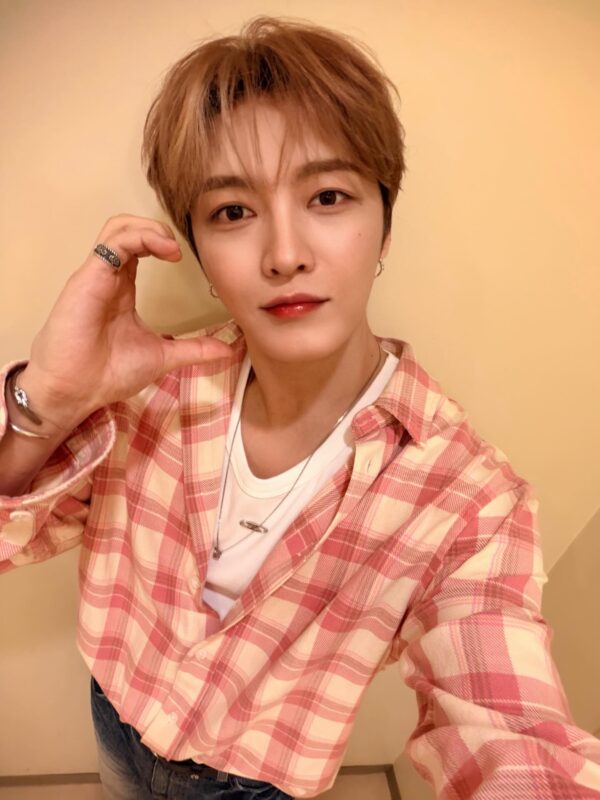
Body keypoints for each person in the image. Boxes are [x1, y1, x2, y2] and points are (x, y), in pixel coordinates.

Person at [1, 15, 599, 800]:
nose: (285, 254)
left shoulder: (469, 500)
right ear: (199, 251)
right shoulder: (146, 393)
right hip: (117, 716)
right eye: (232, 212)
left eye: (328, 196)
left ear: (384, 224)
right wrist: (44, 401)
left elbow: (511, 732)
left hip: (258, 783)